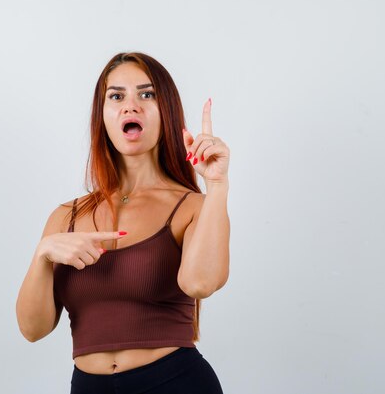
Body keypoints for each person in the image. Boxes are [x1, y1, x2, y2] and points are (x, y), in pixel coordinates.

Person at [16, 52, 230, 393]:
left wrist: (217, 185)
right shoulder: (65, 217)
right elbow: (32, 329)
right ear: (102, 115)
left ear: (167, 112)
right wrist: (42, 254)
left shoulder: (193, 207)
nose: (131, 106)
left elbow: (201, 284)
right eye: (116, 96)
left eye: (147, 94)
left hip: (176, 383)